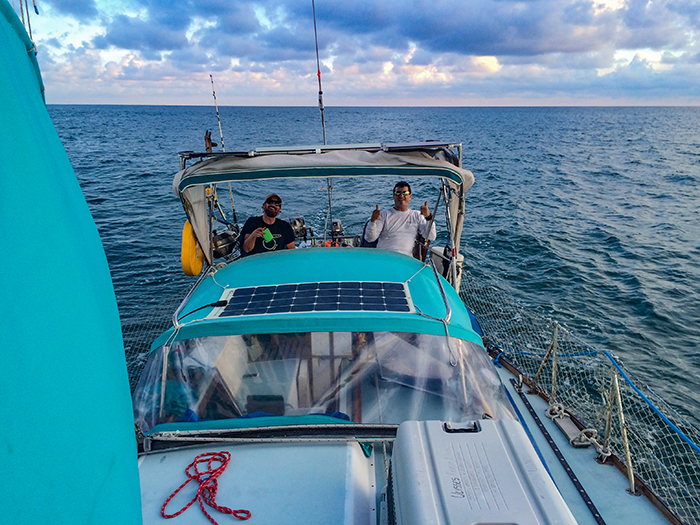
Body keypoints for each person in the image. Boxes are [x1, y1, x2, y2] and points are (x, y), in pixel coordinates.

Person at [364, 181, 436, 256]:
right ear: (394, 196)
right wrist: (373, 221)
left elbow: (431, 236)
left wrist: (428, 217)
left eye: (405, 193)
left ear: (410, 196)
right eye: (398, 193)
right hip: (384, 257)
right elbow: (370, 238)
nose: (401, 196)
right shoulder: (384, 214)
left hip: (405, 260)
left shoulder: (417, 215)